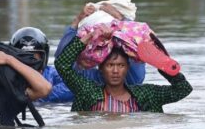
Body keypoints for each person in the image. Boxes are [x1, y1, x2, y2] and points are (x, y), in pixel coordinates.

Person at [9, 6, 146, 102]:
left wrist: (122, 22)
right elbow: (63, 61)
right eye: (22, 58)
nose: (28, 63)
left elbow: (62, 68)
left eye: (33, 57)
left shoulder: (83, 79)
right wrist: (77, 21)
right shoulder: (6, 79)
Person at [54, 26, 193, 112]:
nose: (115, 71)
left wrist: (160, 62)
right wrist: (89, 37)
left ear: (127, 68)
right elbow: (62, 65)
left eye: (121, 65)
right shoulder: (87, 91)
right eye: (110, 65)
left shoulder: (148, 94)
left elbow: (183, 89)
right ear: (101, 68)